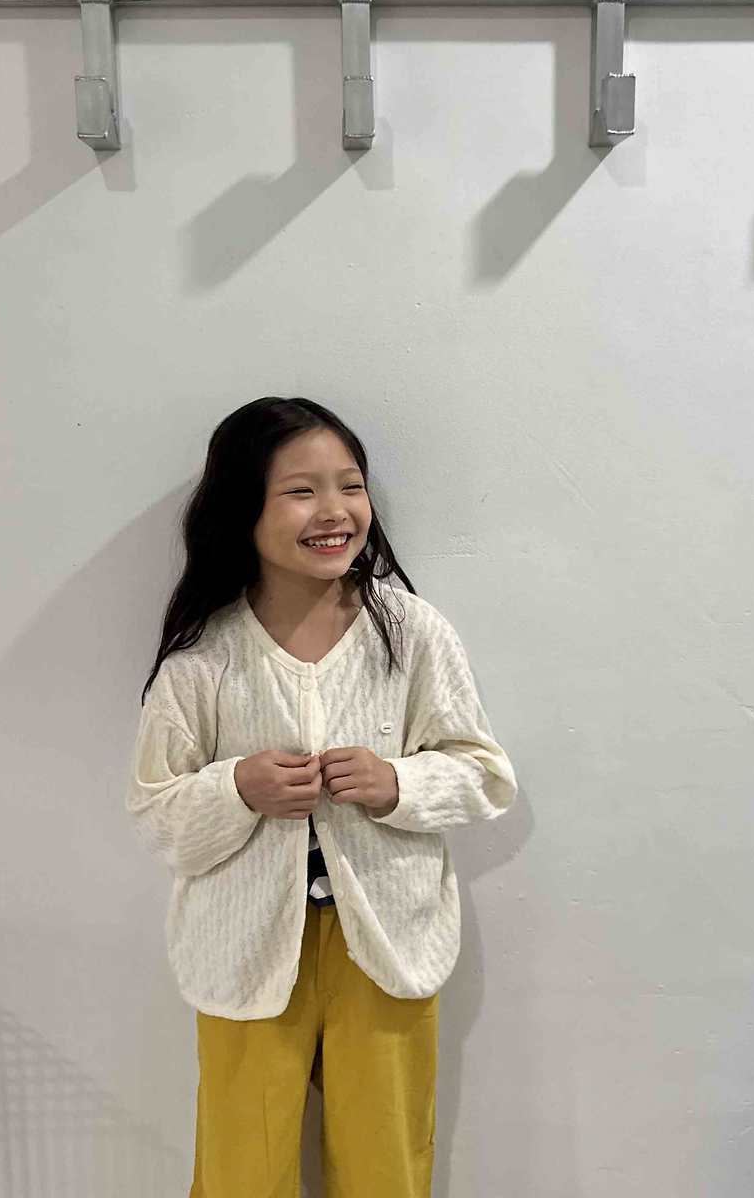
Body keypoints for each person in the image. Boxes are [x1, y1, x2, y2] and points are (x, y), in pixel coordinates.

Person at [126, 396, 518, 1198]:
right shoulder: (205, 657)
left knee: (385, 1167)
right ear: (243, 508)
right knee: (240, 1171)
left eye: (351, 485)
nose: (335, 511)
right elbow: (157, 817)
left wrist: (397, 783)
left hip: (386, 942)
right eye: (300, 491)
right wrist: (237, 788)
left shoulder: (410, 633)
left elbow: (484, 772)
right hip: (242, 946)